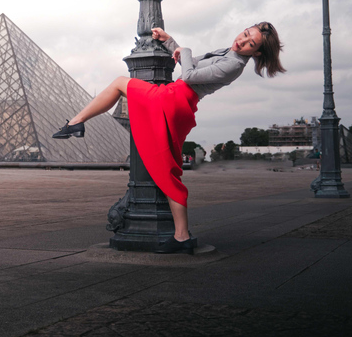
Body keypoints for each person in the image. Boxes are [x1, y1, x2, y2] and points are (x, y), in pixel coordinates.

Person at [52, 22, 286, 253]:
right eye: (245, 34)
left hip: (173, 100)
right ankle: (181, 236)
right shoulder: (228, 53)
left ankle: (76, 122)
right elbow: (192, 66)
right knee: (168, 169)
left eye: (250, 43)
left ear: (256, 53)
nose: (242, 41)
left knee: (119, 83)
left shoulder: (234, 64)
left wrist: (184, 51)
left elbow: (190, 74)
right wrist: (170, 40)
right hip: (178, 103)